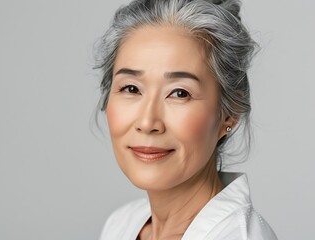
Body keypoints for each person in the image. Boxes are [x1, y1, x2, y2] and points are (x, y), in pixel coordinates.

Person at [94, 0, 278, 239]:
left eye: (180, 93)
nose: (148, 122)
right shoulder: (121, 224)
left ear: (229, 112)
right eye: (131, 88)